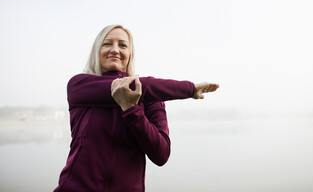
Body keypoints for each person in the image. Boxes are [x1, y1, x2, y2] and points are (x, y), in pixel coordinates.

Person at [54, 25, 219, 192]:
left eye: (123, 45)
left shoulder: (151, 98)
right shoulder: (80, 85)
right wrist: (189, 89)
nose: (115, 50)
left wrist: (132, 110)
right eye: (107, 44)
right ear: (97, 50)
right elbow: (136, 85)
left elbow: (161, 155)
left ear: (130, 54)